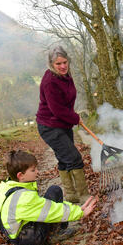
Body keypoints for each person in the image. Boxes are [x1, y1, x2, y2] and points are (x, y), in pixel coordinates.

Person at [0, 150, 97, 245]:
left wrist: (76, 209)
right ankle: (54, 235)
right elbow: (50, 211)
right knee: (53, 198)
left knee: (54, 190)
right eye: (33, 170)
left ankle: (29, 241)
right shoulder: (23, 198)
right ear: (20, 175)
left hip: (16, 232)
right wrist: (80, 213)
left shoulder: (7, 185)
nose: (37, 172)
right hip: (26, 236)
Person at [36, 45, 88, 204]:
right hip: (50, 126)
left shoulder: (65, 75)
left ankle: (71, 196)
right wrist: (74, 118)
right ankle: (84, 195)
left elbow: (65, 102)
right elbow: (57, 109)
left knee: (65, 159)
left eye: (65, 62)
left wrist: (72, 117)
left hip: (62, 124)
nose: (63, 66)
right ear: (52, 64)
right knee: (74, 158)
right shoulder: (50, 81)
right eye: (58, 64)